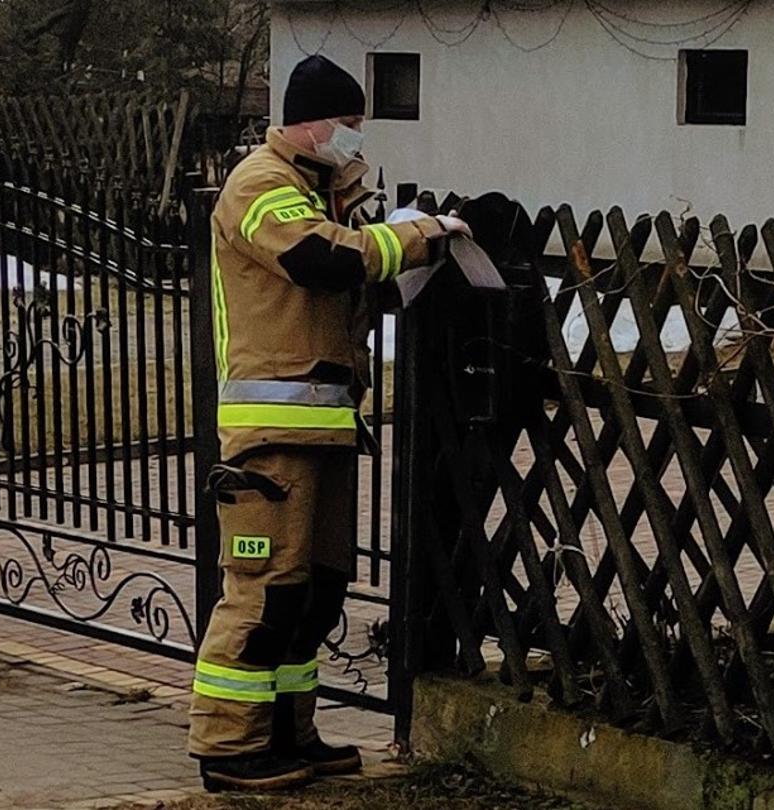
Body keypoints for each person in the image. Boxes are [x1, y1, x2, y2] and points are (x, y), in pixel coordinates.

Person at [187, 55, 469, 793]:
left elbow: (349, 289)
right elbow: (318, 261)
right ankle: (226, 744)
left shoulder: (319, 194)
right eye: (348, 124)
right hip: (270, 440)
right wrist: (416, 237)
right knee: (264, 589)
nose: (355, 138)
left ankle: (289, 731)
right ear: (310, 121)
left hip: (322, 430)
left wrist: (408, 257)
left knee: (315, 593)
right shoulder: (261, 186)